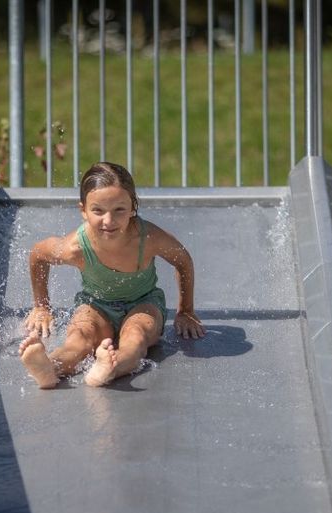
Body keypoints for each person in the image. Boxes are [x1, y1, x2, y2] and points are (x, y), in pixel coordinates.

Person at [19, 161, 205, 388]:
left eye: (119, 210)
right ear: (83, 210)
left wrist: (186, 311)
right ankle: (50, 368)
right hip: (95, 304)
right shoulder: (75, 247)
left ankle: (110, 368)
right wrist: (41, 307)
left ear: (132, 208)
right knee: (79, 338)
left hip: (143, 303)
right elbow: (38, 255)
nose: (109, 221)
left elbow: (182, 260)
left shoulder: (147, 239)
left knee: (135, 337)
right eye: (98, 210)